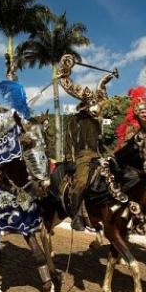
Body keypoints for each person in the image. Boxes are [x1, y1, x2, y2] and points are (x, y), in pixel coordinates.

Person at [64, 95, 106, 231]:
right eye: (93, 105)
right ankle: (76, 215)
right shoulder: (74, 120)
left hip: (98, 155)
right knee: (81, 183)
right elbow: (69, 140)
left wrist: (103, 146)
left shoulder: (96, 123)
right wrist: (70, 160)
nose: (96, 108)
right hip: (82, 156)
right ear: (85, 106)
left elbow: (100, 143)